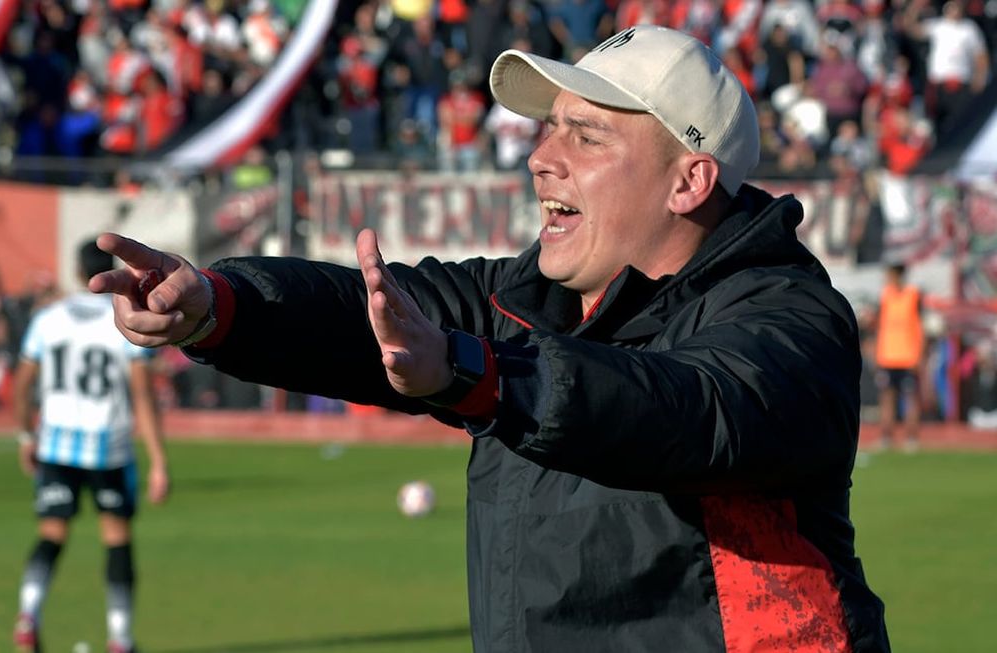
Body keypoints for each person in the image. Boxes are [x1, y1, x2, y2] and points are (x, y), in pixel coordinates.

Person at [90, 26, 890, 652]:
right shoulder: (528, 298)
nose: (540, 158)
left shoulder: (787, 314)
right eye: (547, 131)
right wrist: (213, 306)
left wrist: (477, 374)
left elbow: (694, 409)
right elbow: (362, 309)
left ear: (690, 180)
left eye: (586, 136)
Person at [12, 240, 170, 653]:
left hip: (57, 445)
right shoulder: (125, 319)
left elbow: (23, 386)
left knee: (51, 533)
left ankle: (28, 616)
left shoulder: (48, 319)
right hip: (109, 447)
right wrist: (158, 461)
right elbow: (142, 395)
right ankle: (120, 638)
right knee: (116, 538)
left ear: (78, 271)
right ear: (109, 270)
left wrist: (28, 436)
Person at [874, 262, 925, 452]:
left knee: (910, 398)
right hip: (887, 356)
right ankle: (886, 437)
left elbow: (921, 327)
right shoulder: (885, 295)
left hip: (908, 357)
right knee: (887, 398)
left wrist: (920, 354)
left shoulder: (913, 295)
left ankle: (911, 438)